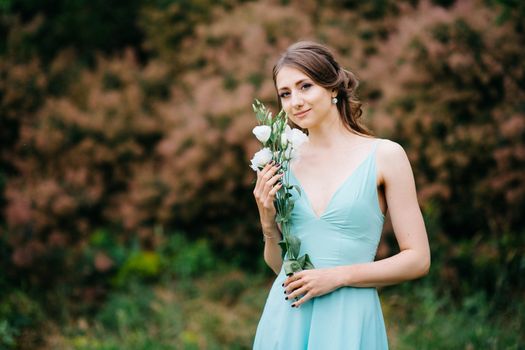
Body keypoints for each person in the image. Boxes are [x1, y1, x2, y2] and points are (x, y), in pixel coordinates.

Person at [252, 41, 430, 349]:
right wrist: (267, 223)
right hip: (288, 320)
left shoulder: (385, 155)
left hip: (350, 319)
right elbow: (280, 268)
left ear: (333, 88)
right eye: (285, 93)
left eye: (305, 86)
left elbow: (418, 259)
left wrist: (337, 277)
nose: (295, 101)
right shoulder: (282, 162)